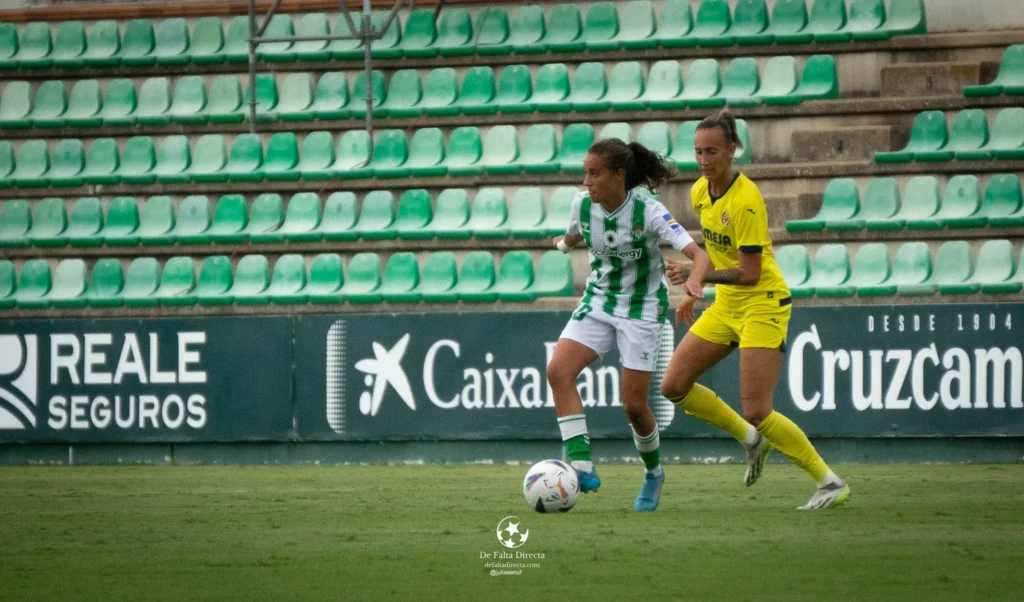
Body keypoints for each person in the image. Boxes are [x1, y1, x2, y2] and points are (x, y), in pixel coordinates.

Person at [661, 109, 851, 510]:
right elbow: (716, 251)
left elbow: (749, 273)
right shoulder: (700, 191)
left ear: (733, 149)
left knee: (758, 408)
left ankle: (829, 482)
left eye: (712, 151)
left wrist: (701, 280)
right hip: (727, 304)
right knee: (673, 386)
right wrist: (696, 287)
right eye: (697, 152)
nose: (703, 160)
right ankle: (749, 439)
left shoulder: (746, 201)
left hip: (762, 302)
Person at [548, 138, 710, 512]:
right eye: (585, 173)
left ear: (619, 175)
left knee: (634, 407)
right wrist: (561, 244)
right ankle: (582, 465)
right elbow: (574, 236)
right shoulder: (582, 204)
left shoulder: (649, 212)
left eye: (594, 174)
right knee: (558, 371)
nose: (587, 182)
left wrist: (693, 283)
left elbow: (697, 255)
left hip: (640, 311)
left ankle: (654, 473)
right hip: (599, 301)